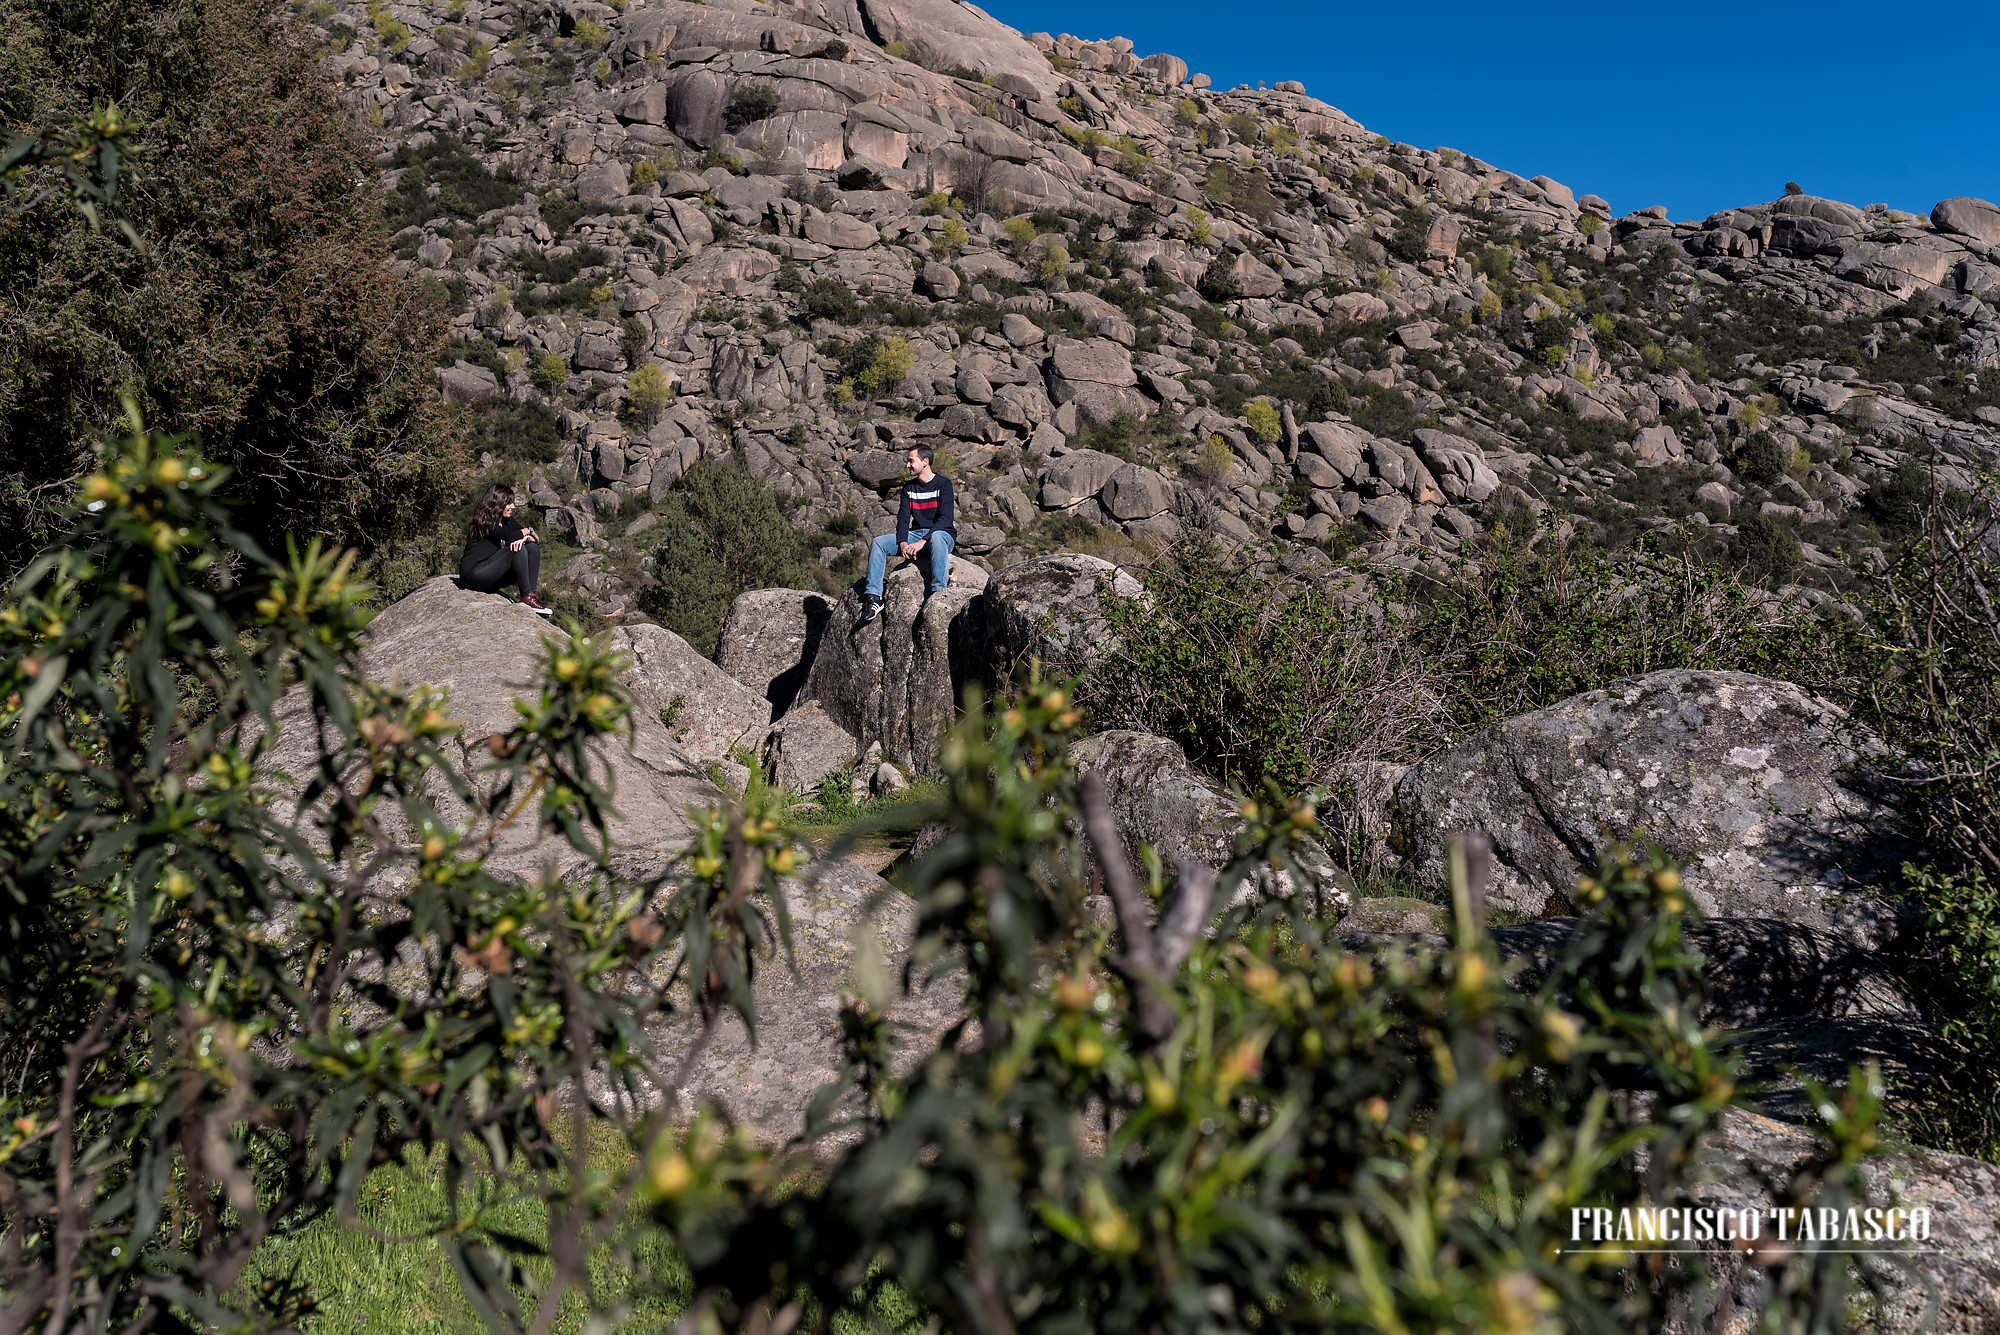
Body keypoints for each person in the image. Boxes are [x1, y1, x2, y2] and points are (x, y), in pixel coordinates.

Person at [858, 445, 954, 624]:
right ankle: (874, 598)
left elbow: (945, 519)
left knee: (937, 536)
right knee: (878, 542)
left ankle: (938, 593)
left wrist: (922, 542)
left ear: (925, 462)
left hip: (940, 535)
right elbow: (903, 518)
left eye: (911, 461)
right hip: (916, 534)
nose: (908, 465)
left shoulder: (944, 484)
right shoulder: (909, 488)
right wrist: (903, 543)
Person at [458, 483, 552, 614]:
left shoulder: (507, 520)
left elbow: (534, 539)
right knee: (517, 548)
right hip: (474, 575)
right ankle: (526, 597)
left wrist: (526, 535)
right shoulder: (485, 522)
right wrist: (525, 533)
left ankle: (532, 597)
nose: (513, 506)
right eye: (509, 503)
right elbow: (511, 535)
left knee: (532, 548)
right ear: (498, 503)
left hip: (492, 575)